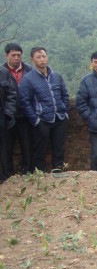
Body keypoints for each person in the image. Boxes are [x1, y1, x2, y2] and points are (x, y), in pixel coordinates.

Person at [19, 47, 69, 172]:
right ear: (33, 59)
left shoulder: (56, 76)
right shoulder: (28, 79)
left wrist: (64, 111)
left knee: (59, 149)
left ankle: (58, 173)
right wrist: (35, 120)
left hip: (59, 118)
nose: (42, 60)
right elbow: (25, 102)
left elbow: (65, 95)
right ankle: (40, 176)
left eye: (43, 56)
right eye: (38, 57)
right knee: (40, 150)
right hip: (42, 120)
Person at [2, 43, 34, 178]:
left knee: (27, 146)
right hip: (7, 116)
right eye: (13, 55)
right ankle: (8, 175)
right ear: (6, 55)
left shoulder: (30, 70)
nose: (16, 58)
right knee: (6, 147)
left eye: (18, 55)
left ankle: (28, 173)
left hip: (25, 115)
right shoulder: (2, 71)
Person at [0, 65, 18, 181]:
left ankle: (3, 176)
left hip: (2, 115)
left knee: (3, 147)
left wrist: (8, 113)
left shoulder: (3, 72)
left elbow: (12, 94)